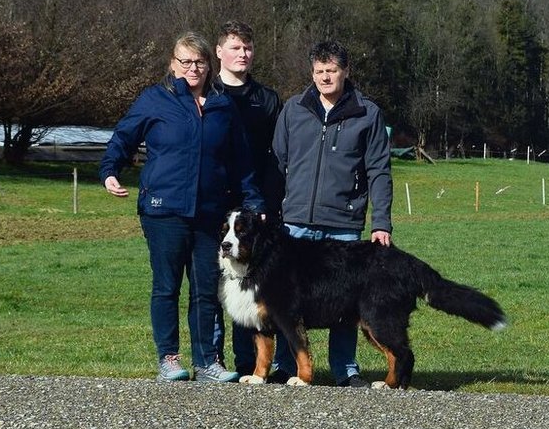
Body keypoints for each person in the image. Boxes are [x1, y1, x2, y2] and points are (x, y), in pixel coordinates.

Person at [100, 32, 263, 383]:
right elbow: (123, 137)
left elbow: (241, 160)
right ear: (172, 63)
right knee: (166, 286)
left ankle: (207, 362)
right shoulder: (155, 100)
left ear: (209, 65)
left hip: (209, 215)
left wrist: (254, 201)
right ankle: (169, 358)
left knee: (206, 289)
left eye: (199, 62)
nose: (193, 68)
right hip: (163, 211)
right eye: (185, 61)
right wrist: (110, 171)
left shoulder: (223, 106)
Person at [272, 39, 393, 387]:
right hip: (293, 224)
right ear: (312, 73)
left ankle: (345, 370)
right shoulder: (293, 109)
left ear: (346, 71)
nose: (325, 77)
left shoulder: (366, 113)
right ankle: (286, 366)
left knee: (345, 303)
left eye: (332, 70)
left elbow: (379, 171)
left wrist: (380, 222)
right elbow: (277, 165)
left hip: (343, 223)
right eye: (319, 71)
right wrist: (270, 214)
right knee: (286, 303)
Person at [213, 20, 283, 376]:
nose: (243, 54)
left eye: (248, 48)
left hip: (257, 208)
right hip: (214, 203)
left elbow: (277, 156)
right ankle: (215, 362)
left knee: (261, 287)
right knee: (219, 287)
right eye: (236, 48)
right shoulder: (207, 94)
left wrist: (268, 204)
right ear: (219, 52)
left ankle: (262, 364)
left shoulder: (268, 100)